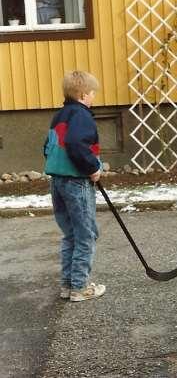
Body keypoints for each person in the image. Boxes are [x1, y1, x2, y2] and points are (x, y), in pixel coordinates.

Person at [43, 71, 105, 302]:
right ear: (82, 94)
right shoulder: (81, 115)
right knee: (85, 234)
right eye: (91, 93)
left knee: (71, 234)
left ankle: (68, 285)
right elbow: (75, 143)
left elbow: (47, 146)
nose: (93, 98)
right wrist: (92, 168)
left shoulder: (59, 116)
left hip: (57, 181)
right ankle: (80, 287)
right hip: (76, 182)